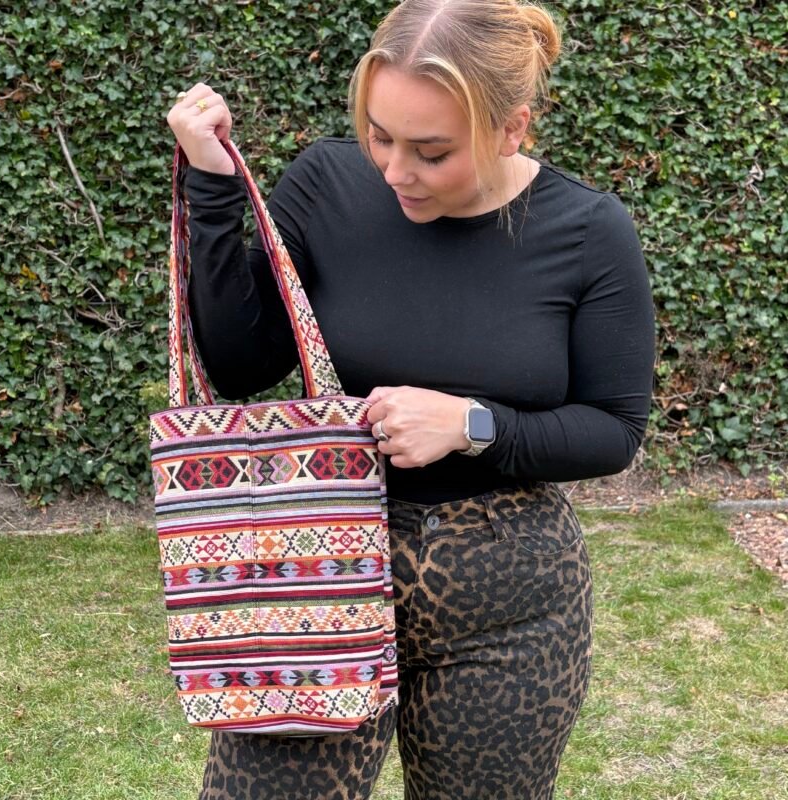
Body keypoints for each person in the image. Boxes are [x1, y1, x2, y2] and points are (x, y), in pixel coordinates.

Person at [166, 1, 655, 797]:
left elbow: (614, 430)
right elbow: (239, 366)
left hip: (510, 607)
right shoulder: (327, 185)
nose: (395, 171)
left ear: (511, 129)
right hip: (315, 578)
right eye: (379, 136)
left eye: (431, 151)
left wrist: (472, 425)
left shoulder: (587, 231)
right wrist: (215, 188)